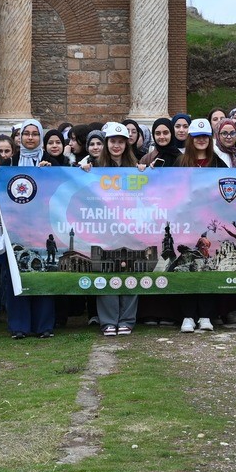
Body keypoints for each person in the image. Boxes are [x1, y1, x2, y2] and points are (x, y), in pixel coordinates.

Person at [4, 119, 59, 339]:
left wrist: (52, 171)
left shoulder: (53, 161)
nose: (30, 138)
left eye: (34, 134)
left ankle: (44, 325)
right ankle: (20, 326)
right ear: (19, 137)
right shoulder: (9, 163)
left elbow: (61, 189)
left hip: (44, 225)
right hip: (15, 226)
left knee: (43, 271)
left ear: (41, 137)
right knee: (17, 273)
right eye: (25, 133)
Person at [174, 119, 229, 334]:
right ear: (191, 139)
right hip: (186, 223)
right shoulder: (180, 162)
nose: (201, 140)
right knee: (187, 269)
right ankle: (187, 315)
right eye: (197, 137)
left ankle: (206, 315)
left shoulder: (218, 163)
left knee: (206, 269)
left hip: (209, 224)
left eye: (205, 136)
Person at [92, 124, 143, 336]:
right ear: (107, 143)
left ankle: (127, 319)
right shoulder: (94, 166)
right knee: (107, 270)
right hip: (105, 227)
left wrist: (145, 173)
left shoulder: (135, 166)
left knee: (130, 269)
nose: (116, 145)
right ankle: (108, 321)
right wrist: (85, 171)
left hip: (130, 226)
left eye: (120, 141)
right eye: (112, 141)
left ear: (126, 144)